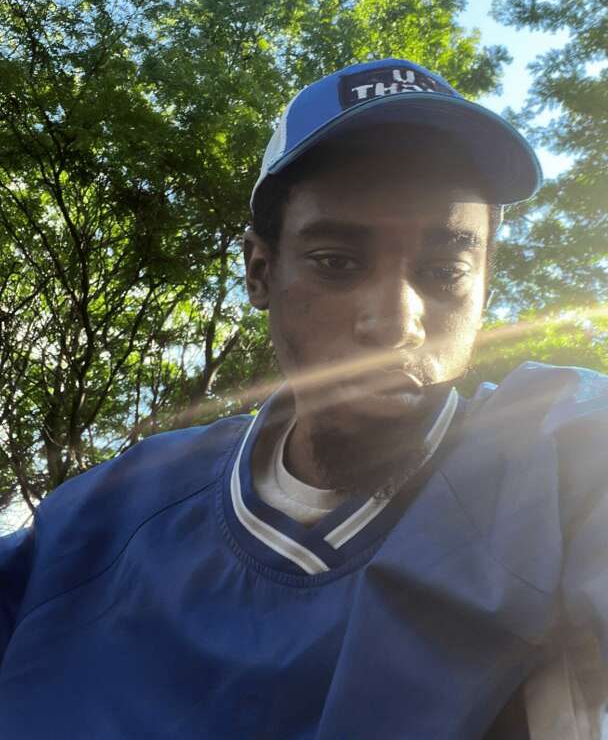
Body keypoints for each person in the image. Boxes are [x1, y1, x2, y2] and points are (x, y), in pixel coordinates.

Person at [0, 57, 606, 739]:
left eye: (444, 271)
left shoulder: (555, 467)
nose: (396, 323)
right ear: (260, 271)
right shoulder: (102, 516)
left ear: (485, 286)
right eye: (336, 263)